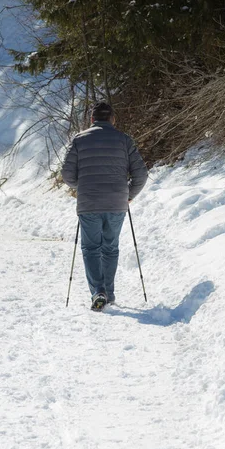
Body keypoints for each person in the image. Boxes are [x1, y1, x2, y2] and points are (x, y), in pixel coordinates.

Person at [61, 101, 148, 311]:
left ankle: (97, 291)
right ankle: (108, 293)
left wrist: (82, 185)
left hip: (89, 202)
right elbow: (141, 174)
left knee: (91, 248)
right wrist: (129, 194)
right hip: (116, 202)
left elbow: (66, 173)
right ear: (113, 119)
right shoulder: (124, 140)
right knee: (110, 247)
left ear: (92, 119)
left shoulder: (80, 140)